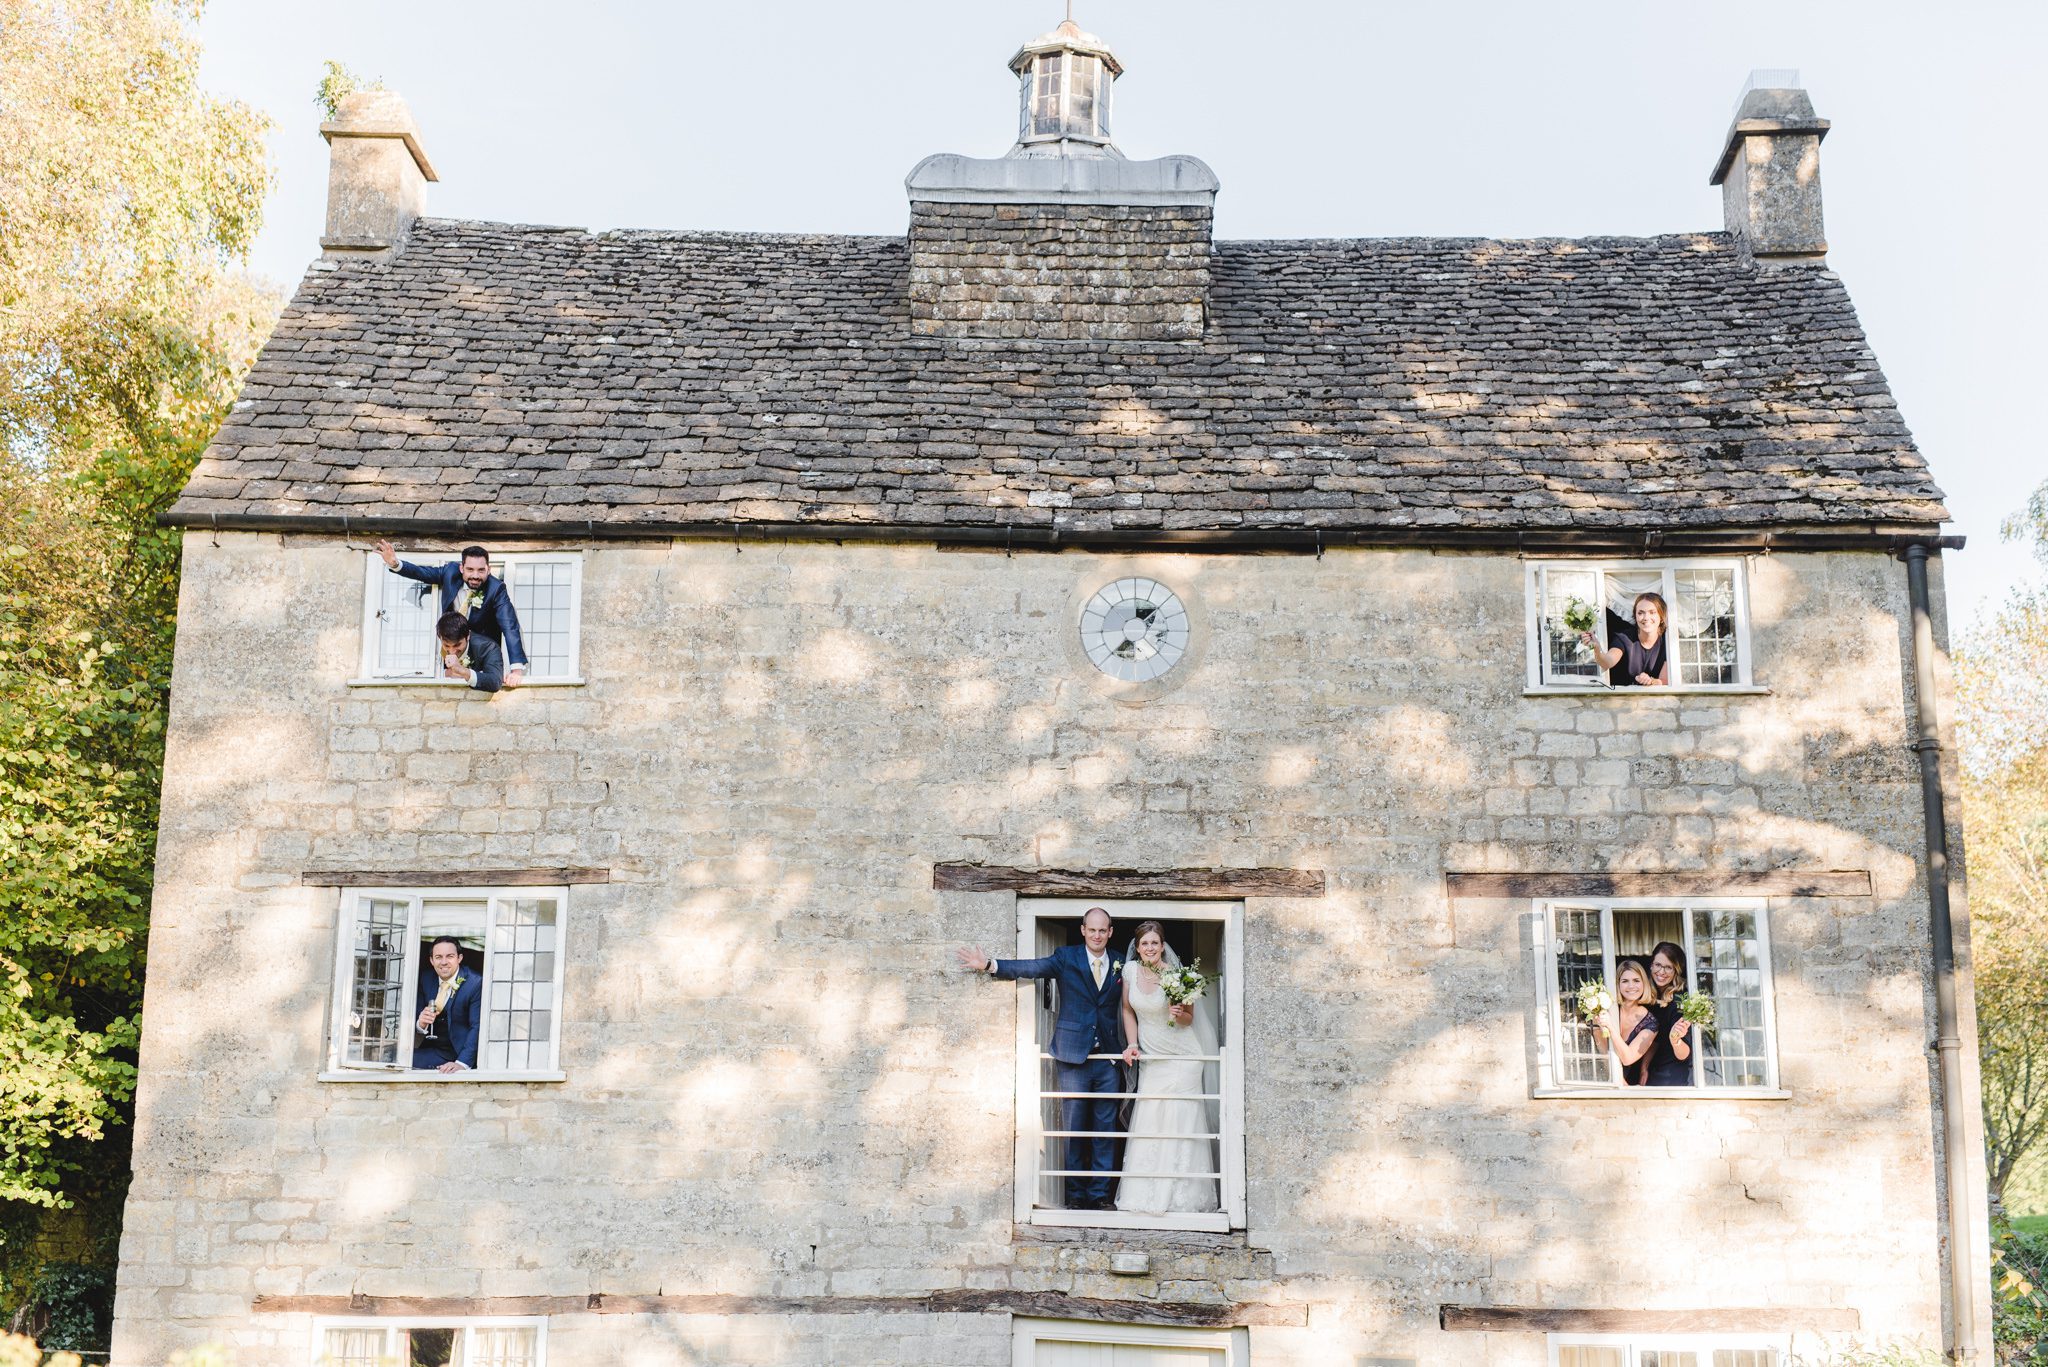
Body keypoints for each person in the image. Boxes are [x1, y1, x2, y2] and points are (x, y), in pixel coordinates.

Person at [957, 907, 1128, 1210]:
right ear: (1083, 930)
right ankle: (1075, 1194)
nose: (1097, 935)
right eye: (1092, 930)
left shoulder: (1120, 962)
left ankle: (1100, 1194)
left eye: (1103, 930)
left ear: (1111, 932)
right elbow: (1033, 967)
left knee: (1106, 1129)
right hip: (1073, 1056)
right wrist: (989, 965)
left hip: (1109, 1058)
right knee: (1073, 1128)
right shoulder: (1066, 957)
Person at [1115, 921, 1217, 1215]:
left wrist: (1179, 1012)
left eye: (1155, 943)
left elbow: (1188, 1019)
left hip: (1182, 1056)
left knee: (1179, 1122)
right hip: (1152, 1056)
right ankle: (1144, 1196)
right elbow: (1127, 1009)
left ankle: (1180, 1198)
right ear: (1138, 947)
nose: (1150, 948)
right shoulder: (1131, 971)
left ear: (1162, 947)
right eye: (1145, 943)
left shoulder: (1178, 975)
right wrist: (1132, 1043)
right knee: (1150, 1121)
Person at [377, 540, 529, 688]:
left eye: (481, 570)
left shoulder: (497, 589)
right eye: (470, 569)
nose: (475, 575)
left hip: (481, 653)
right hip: (450, 645)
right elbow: (422, 573)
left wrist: (516, 670)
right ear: (461, 568)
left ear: (488, 570)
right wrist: (395, 564)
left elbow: (510, 626)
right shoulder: (450, 573)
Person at [414, 936, 480, 1073]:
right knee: (392, 1059)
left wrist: (462, 1063)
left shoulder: (475, 983)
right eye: (438, 957)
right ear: (431, 960)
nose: (444, 962)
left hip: (460, 1052)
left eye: (449, 956)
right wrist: (421, 1023)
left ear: (459, 958)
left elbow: (477, 1026)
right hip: (433, 1049)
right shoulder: (425, 978)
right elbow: (416, 1015)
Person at [1580, 591, 1671, 687]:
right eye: (1641, 613)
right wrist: (1597, 649)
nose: (1646, 617)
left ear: (1661, 617)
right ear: (1635, 616)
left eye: (1652, 612)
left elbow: (1663, 681)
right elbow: (1607, 662)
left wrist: (1651, 681)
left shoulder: (1667, 641)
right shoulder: (1625, 637)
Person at [1592, 958, 1660, 1086]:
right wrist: (1620, 1081)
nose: (1631, 986)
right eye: (1625, 981)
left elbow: (1628, 1058)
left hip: (1628, 1084)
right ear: (1617, 984)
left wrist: (1611, 1028)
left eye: (1636, 981)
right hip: (1597, 1076)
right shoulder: (1607, 1009)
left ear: (1644, 983)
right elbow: (1602, 1049)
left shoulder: (1650, 1022)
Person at [1643, 940, 1696, 1087]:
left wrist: (1676, 1040)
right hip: (1652, 1069)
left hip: (1670, 1077)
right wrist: (1644, 1067)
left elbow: (1684, 1054)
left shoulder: (1679, 1001)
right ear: (1651, 965)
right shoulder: (1650, 996)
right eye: (1658, 965)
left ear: (1676, 971)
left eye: (1668, 967)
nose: (1661, 972)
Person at [436, 612, 505, 693]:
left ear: (468, 635)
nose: (452, 651)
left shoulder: (488, 647)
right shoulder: (433, 646)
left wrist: (463, 672)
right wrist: (445, 673)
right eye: (447, 646)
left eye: (457, 645)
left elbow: (495, 682)